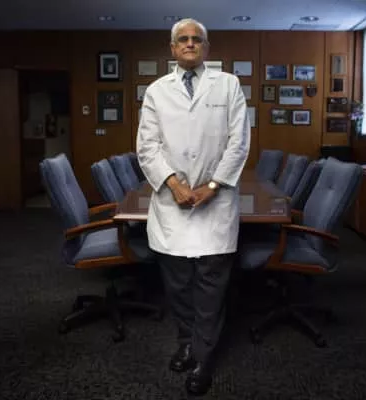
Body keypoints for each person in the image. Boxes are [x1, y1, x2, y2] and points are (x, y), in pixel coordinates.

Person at [136, 18, 250, 396]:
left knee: (210, 289)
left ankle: (203, 356)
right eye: (182, 39)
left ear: (206, 47)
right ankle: (186, 342)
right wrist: (174, 184)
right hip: (172, 205)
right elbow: (147, 147)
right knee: (178, 286)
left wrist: (212, 186)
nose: (189, 44)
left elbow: (239, 143)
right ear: (172, 48)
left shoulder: (228, 85)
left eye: (196, 39)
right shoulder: (157, 91)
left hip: (216, 204)